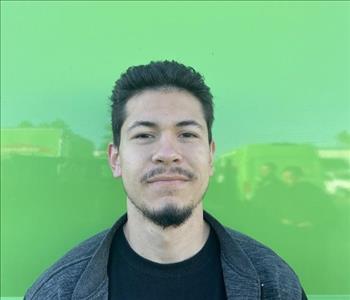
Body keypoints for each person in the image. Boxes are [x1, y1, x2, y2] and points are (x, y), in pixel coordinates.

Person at [25, 61, 308, 299]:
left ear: (210, 156)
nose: (168, 154)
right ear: (115, 159)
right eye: (144, 135)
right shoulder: (58, 290)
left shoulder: (276, 285)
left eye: (187, 134)